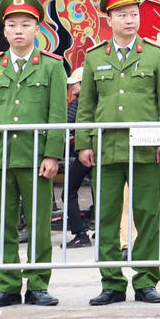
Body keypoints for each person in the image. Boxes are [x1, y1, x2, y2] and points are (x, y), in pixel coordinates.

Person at [76, 0, 160, 306]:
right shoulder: (94, 58)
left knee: (146, 214)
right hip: (107, 148)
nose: (130, 20)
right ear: (109, 19)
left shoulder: (155, 54)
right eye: (122, 14)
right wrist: (84, 143)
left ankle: (147, 281)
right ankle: (112, 283)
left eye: (133, 13)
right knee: (106, 216)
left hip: (147, 147)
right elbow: (87, 105)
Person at [0, 0, 67, 308]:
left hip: (36, 157)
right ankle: (7, 284)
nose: (19, 30)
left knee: (39, 224)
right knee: (1, 224)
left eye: (26, 24)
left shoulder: (51, 67)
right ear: (5, 30)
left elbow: (57, 115)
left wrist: (53, 154)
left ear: (37, 28)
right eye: (13, 24)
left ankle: (38, 284)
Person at [63, 67, 94, 248]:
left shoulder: (78, 102)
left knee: (68, 191)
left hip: (85, 153)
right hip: (99, 151)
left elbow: (67, 122)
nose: (71, 86)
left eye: (74, 82)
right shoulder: (96, 101)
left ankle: (80, 234)